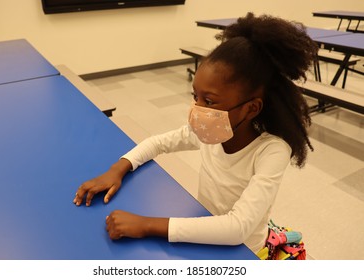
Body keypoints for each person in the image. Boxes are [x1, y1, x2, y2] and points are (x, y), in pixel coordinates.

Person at [73, 12, 318, 253]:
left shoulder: (272, 151)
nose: (196, 110)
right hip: (204, 227)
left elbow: (237, 229)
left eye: (209, 102)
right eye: (195, 97)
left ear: (251, 108)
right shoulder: (210, 132)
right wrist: (117, 169)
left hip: (245, 251)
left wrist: (146, 224)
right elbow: (158, 143)